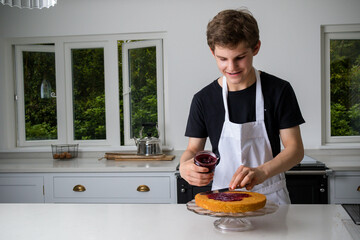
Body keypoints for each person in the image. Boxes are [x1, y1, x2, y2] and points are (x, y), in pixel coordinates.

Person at [179, 9, 305, 205]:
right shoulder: (203, 99)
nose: (231, 67)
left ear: (255, 48)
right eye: (222, 59)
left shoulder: (279, 90)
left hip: (271, 197)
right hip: (221, 198)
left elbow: (295, 150)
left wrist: (262, 171)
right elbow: (193, 149)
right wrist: (184, 166)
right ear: (212, 52)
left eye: (239, 57)